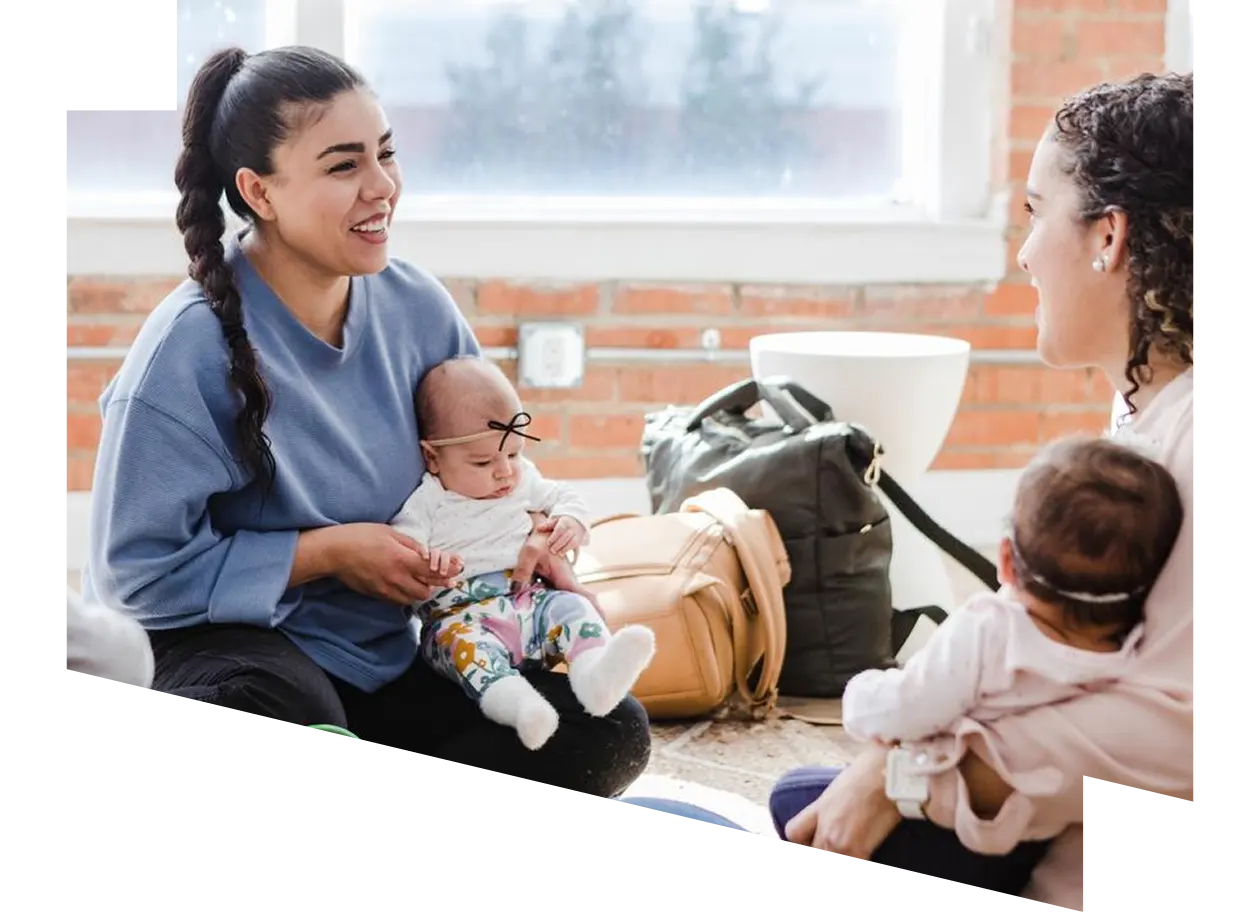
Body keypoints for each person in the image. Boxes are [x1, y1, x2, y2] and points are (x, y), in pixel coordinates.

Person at [78, 45, 650, 801]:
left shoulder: (418, 308)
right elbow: (132, 578)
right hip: (232, 654)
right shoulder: (185, 352)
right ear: (260, 192)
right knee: (272, 705)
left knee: (604, 730)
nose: (382, 187)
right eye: (344, 165)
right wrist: (327, 554)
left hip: (387, 656)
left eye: (385, 154)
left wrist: (538, 552)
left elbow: (487, 467)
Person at [769, 71, 1205, 903]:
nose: (1024, 251)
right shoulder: (1147, 409)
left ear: (1108, 237)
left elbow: (1194, 735)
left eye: (1037, 212)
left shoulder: (1220, 445)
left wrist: (906, 779)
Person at [842, 433, 1183, 750]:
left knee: (793, 789)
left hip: (948, 799)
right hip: (1050, 804)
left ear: (1005, 560)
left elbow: (906, 711)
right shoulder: (1139, 650)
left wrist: (861, 692)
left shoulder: (989, 631)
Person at [391, 356, 656, 751]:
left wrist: (570, 520)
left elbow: (564, 495)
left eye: (513, 454)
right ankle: (520, 707)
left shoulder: (521, 480)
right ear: (433, 457)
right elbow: (403, 553)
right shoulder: (426, 502)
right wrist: (429, 563)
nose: (505, 473)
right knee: (468, 651)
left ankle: (596, 677)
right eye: (483, 461)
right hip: (459, 617)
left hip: (526, 600)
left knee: (571, 608)